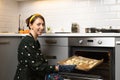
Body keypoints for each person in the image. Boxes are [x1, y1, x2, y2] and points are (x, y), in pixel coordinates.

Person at [14, 13, 75, 80]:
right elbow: (37, 66)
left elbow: (39, 63)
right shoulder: (27, 41)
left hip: (35, 75)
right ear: (31, 25)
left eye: (43, 24)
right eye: (38, 24)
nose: (42, 27)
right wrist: (58, 68)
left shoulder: (35, 41)